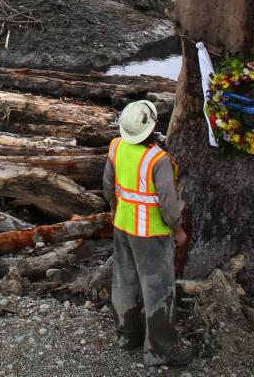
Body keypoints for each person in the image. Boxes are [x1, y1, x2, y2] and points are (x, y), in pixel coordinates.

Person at [103, 99, 195, 368]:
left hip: (122, 226)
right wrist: (177, 229)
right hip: (151, 234)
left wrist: (113, 209)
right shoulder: (158, 159)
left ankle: (127, 335)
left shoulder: (116, 147)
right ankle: (159, 351)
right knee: (158, 290)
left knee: (124, 281)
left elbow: (109, 185)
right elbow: (167, 202)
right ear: (153, 128)